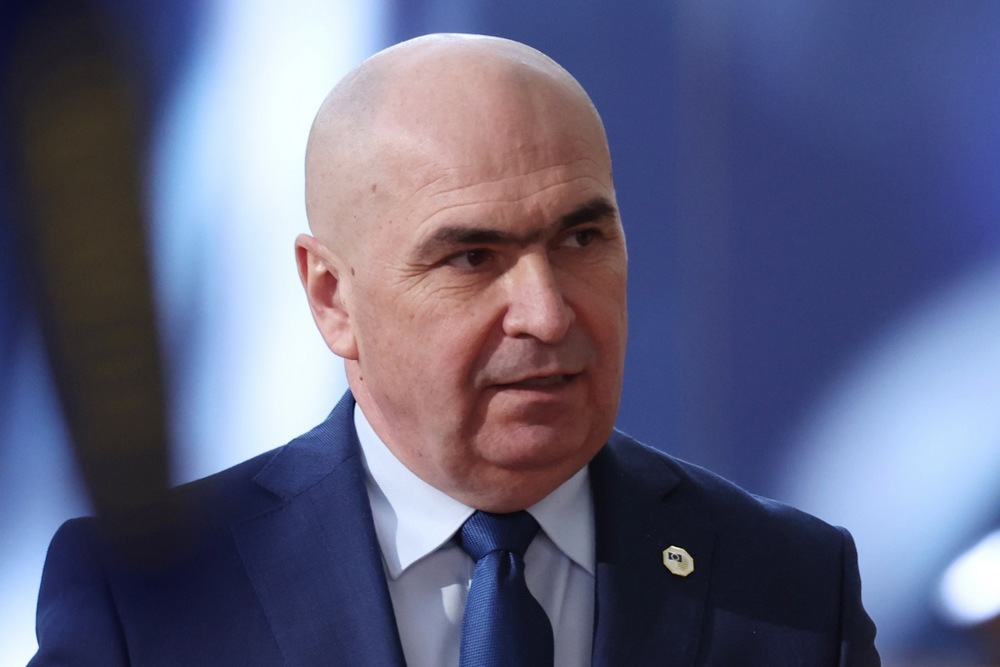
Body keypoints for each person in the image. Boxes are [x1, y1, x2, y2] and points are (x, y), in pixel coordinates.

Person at [30, 33, 880, 666]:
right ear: (332, 298)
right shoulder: (146, 603)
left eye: (581, 238)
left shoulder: (794, 586)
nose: (546, 313)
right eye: (473, 257)